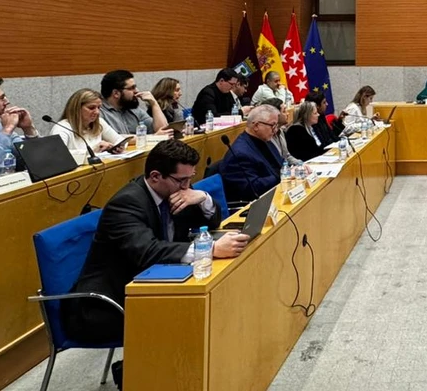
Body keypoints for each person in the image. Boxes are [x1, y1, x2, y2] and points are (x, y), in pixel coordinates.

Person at [61, 139, 248, 386]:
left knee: (211, 303)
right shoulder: (127, 203)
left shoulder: (176, 192)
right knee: (188, 316)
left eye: (190, 179)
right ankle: (148, 376)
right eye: (181, 181)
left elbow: (212, 222)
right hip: (105, 304)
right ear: (156, 176)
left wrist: (201, 197)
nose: (186, 186)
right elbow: (147, 252)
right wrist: (211, 248)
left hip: (151, 283)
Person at [216, 106, 284, 203]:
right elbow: (253, 188)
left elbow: (281, 163)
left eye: (276, 126)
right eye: (272, 126)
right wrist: (281, 176)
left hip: (275, 193)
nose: (275, 130)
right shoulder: (240, 154)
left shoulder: (265, 140)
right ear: (256, 126)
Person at [50, 89, 122, 164]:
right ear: (76, 108)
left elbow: (119, 140)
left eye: (99, 107)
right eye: (91, 108)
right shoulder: (62, 128)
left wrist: (116, 147)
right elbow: (57, 155)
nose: (97, 112)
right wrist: (92, 151)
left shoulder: (99, 122)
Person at [99, 70, 169, 135]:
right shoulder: (99, 111)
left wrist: (154, 103)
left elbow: (164, 131)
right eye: (132, 88)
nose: (137, 91)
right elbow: (113, 138)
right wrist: (153, 137)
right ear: (116, 93)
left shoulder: (134, 109)